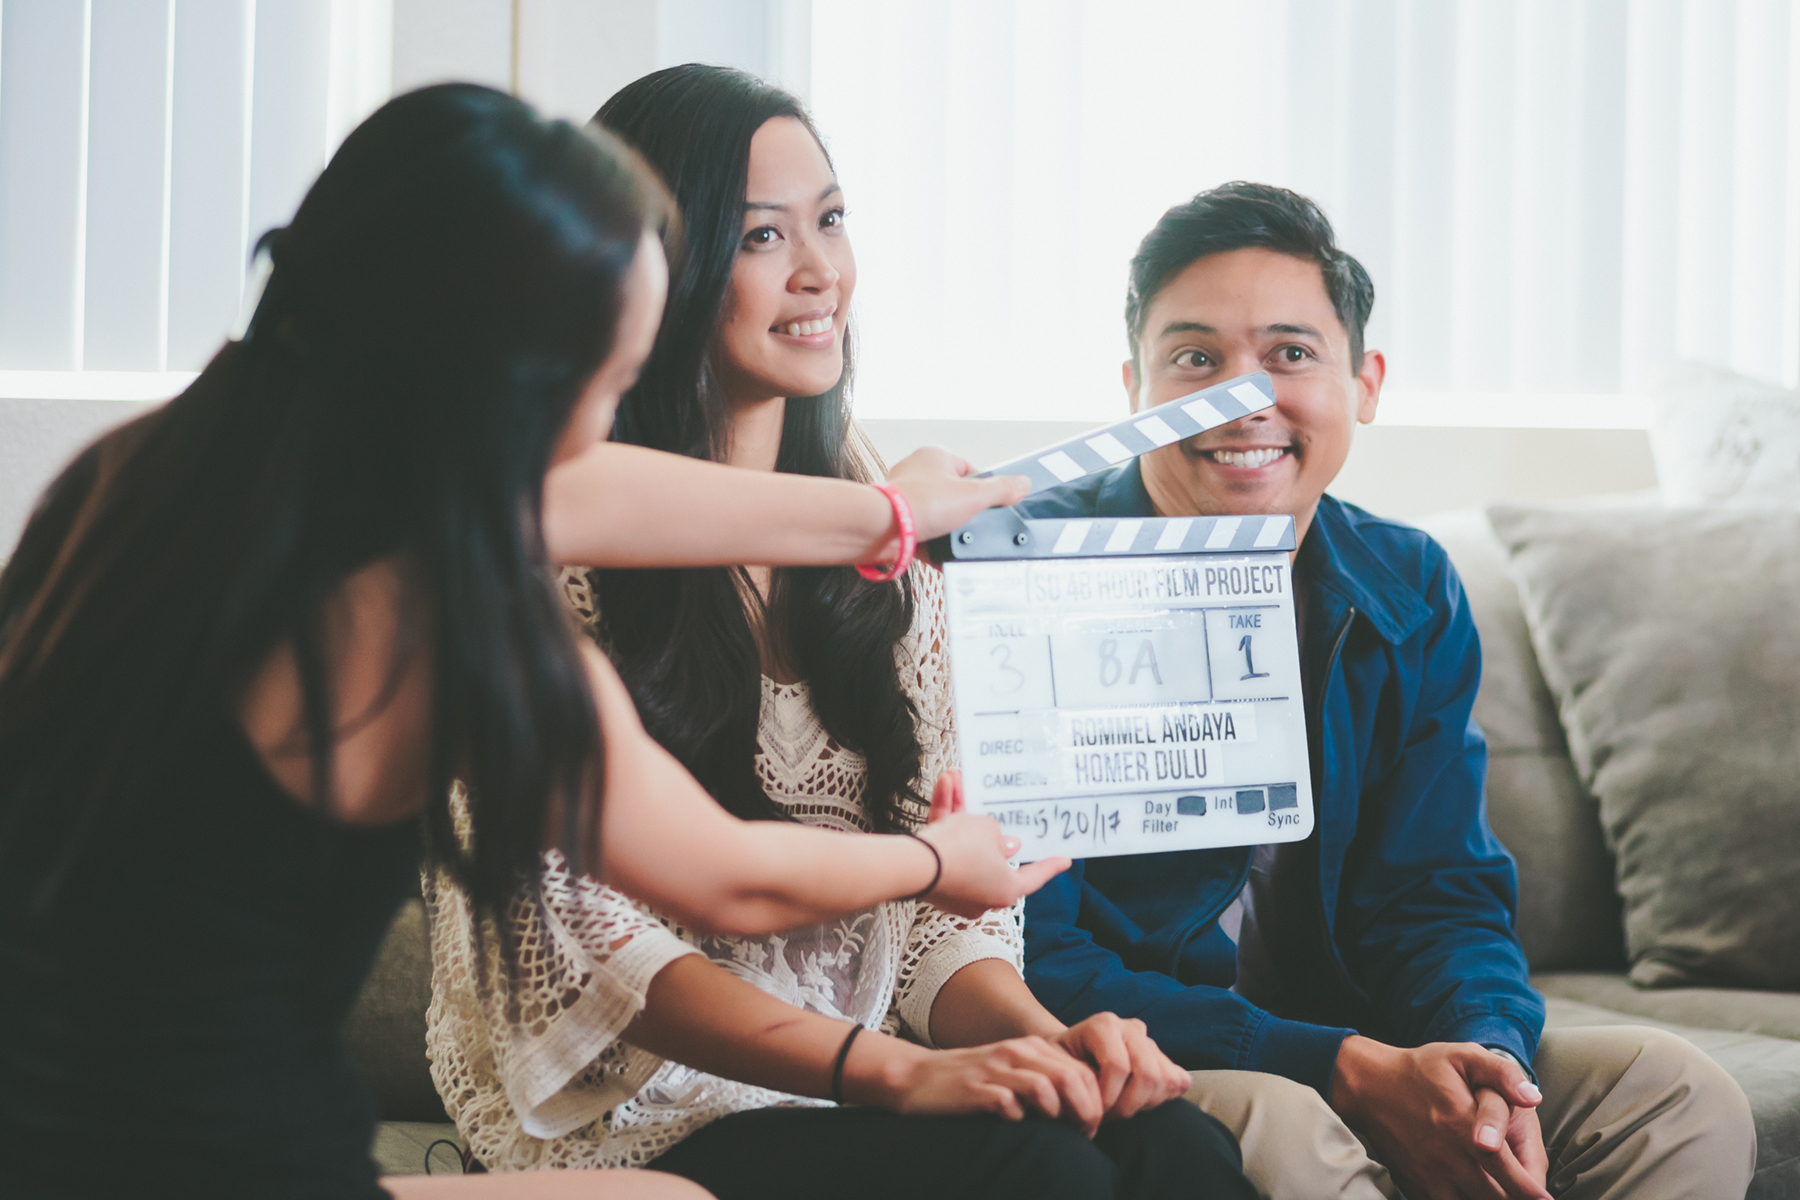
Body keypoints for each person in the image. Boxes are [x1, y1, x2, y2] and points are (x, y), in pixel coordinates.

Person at [0, 83, 1060, 1200]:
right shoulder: (438, 600)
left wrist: (885, 516)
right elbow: (728, 878)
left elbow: (595, 496)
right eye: (603, 383)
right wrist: (941, 861)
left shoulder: (128, 484)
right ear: (493, 367)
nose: (605, 428)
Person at [426, 65, 1256, 1200]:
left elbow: (930, 929)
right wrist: (888, 1067)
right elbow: (639, 938)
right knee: (1038, 1172)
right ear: (642, 274)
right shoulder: (536, 559)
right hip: (644, 1114)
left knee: (1176, 1149)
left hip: (858, 1088)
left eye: (831, 219)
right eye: (763, 235)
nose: (820, 271)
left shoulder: (880, 549)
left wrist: (1034, 1037)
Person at [1017, 182, 1758, 1200]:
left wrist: (1485, 1060)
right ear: (1135, 388)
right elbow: (1025, 948)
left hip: (1371, 1038)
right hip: (1162, 1055)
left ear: (1363, 382)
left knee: (1676, 1095)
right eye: (1196, 360)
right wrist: (1343, 1068)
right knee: (1288, 1133)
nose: (1244, 397)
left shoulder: (1404, 585)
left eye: (1290, 355)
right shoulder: (1021, 575)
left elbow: (1439, 892)